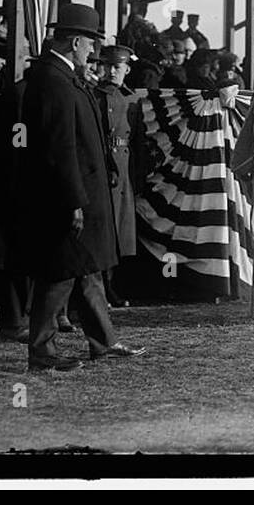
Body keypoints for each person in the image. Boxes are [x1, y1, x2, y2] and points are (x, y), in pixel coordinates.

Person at [19, 3, 145, 372]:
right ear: (75, 42)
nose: (94, 52)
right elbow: (59, 149)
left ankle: (103, 343)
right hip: (71, 197)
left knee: (88, 270)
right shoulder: (54, 81)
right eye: (90, 44)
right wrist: (72, 200)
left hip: (84, 194)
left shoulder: (64, 77)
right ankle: (41, 352)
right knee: (60, 273)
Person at [95, 45, 140, 308]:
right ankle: (102, 288)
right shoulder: (95, 95)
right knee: (105, 232)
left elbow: (137, 140)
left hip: (124, 172)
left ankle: (111, 285)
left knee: (120, 233)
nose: (112, 72)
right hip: (104, 168)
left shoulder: (131, 99)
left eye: (118, 67)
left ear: (127, 69)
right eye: (108, 66)